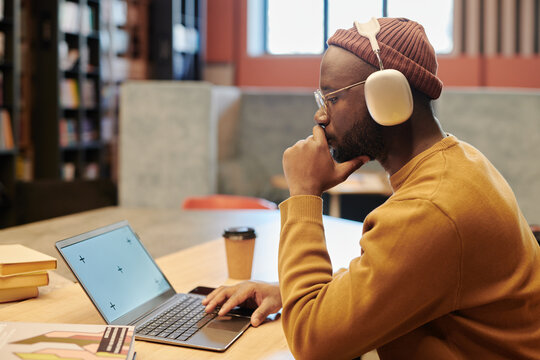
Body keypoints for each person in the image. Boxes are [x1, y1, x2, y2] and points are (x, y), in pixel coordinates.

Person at [203, 17, 540, 359]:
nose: (321, 117)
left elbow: (313, 341)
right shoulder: (459, 162)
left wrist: (305, 192)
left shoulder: (431, 206)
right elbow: (403, 272)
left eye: (331, 98)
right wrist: (288, 293)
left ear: (387, 96)